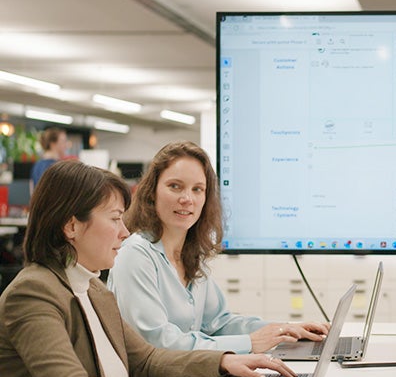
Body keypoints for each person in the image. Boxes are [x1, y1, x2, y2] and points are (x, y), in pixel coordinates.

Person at [0, 161, 297, 377]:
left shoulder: (93, 288)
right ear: (71, 226)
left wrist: (223, 362)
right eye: (115, 219)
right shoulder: (33, 293)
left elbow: (146, 360)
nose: (124, 232)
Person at [108, 141, 329, 354]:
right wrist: (249, 343)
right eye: (175, 186)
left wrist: (284, 329)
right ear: (151, 191)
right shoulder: (135, 255)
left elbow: (219, 323)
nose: (187, 199)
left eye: (197, 189)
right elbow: (158, 342)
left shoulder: (190, 255)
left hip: (191, 376)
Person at [30, 127, 68, 192]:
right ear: (52, 144)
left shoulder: (37, 165)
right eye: (63, 141)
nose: (66, 145)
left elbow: (31, 190)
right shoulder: (56, 167)